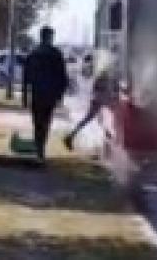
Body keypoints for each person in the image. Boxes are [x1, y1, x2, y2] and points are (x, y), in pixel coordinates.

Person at [22, 26, 68, 164]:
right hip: (50, 94)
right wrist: (60, 95)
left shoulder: (33, 53)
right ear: (49, 37)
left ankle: (39, 149)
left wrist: (25, 96)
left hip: (37, 93)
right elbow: (62, 77)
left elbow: (26, 78)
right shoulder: (56, 54)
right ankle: (41, 149)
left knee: (37, 122)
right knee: (46, 121)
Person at [63, 54, 117, 152]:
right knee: (107, 117)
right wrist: (109, 94)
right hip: (101, 99)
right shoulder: (103, 74)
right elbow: (98, 87)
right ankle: (109, 137)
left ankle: (108, 137)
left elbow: (97, 88)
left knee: (94, 118)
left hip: (99, 99)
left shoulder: (102, 73)